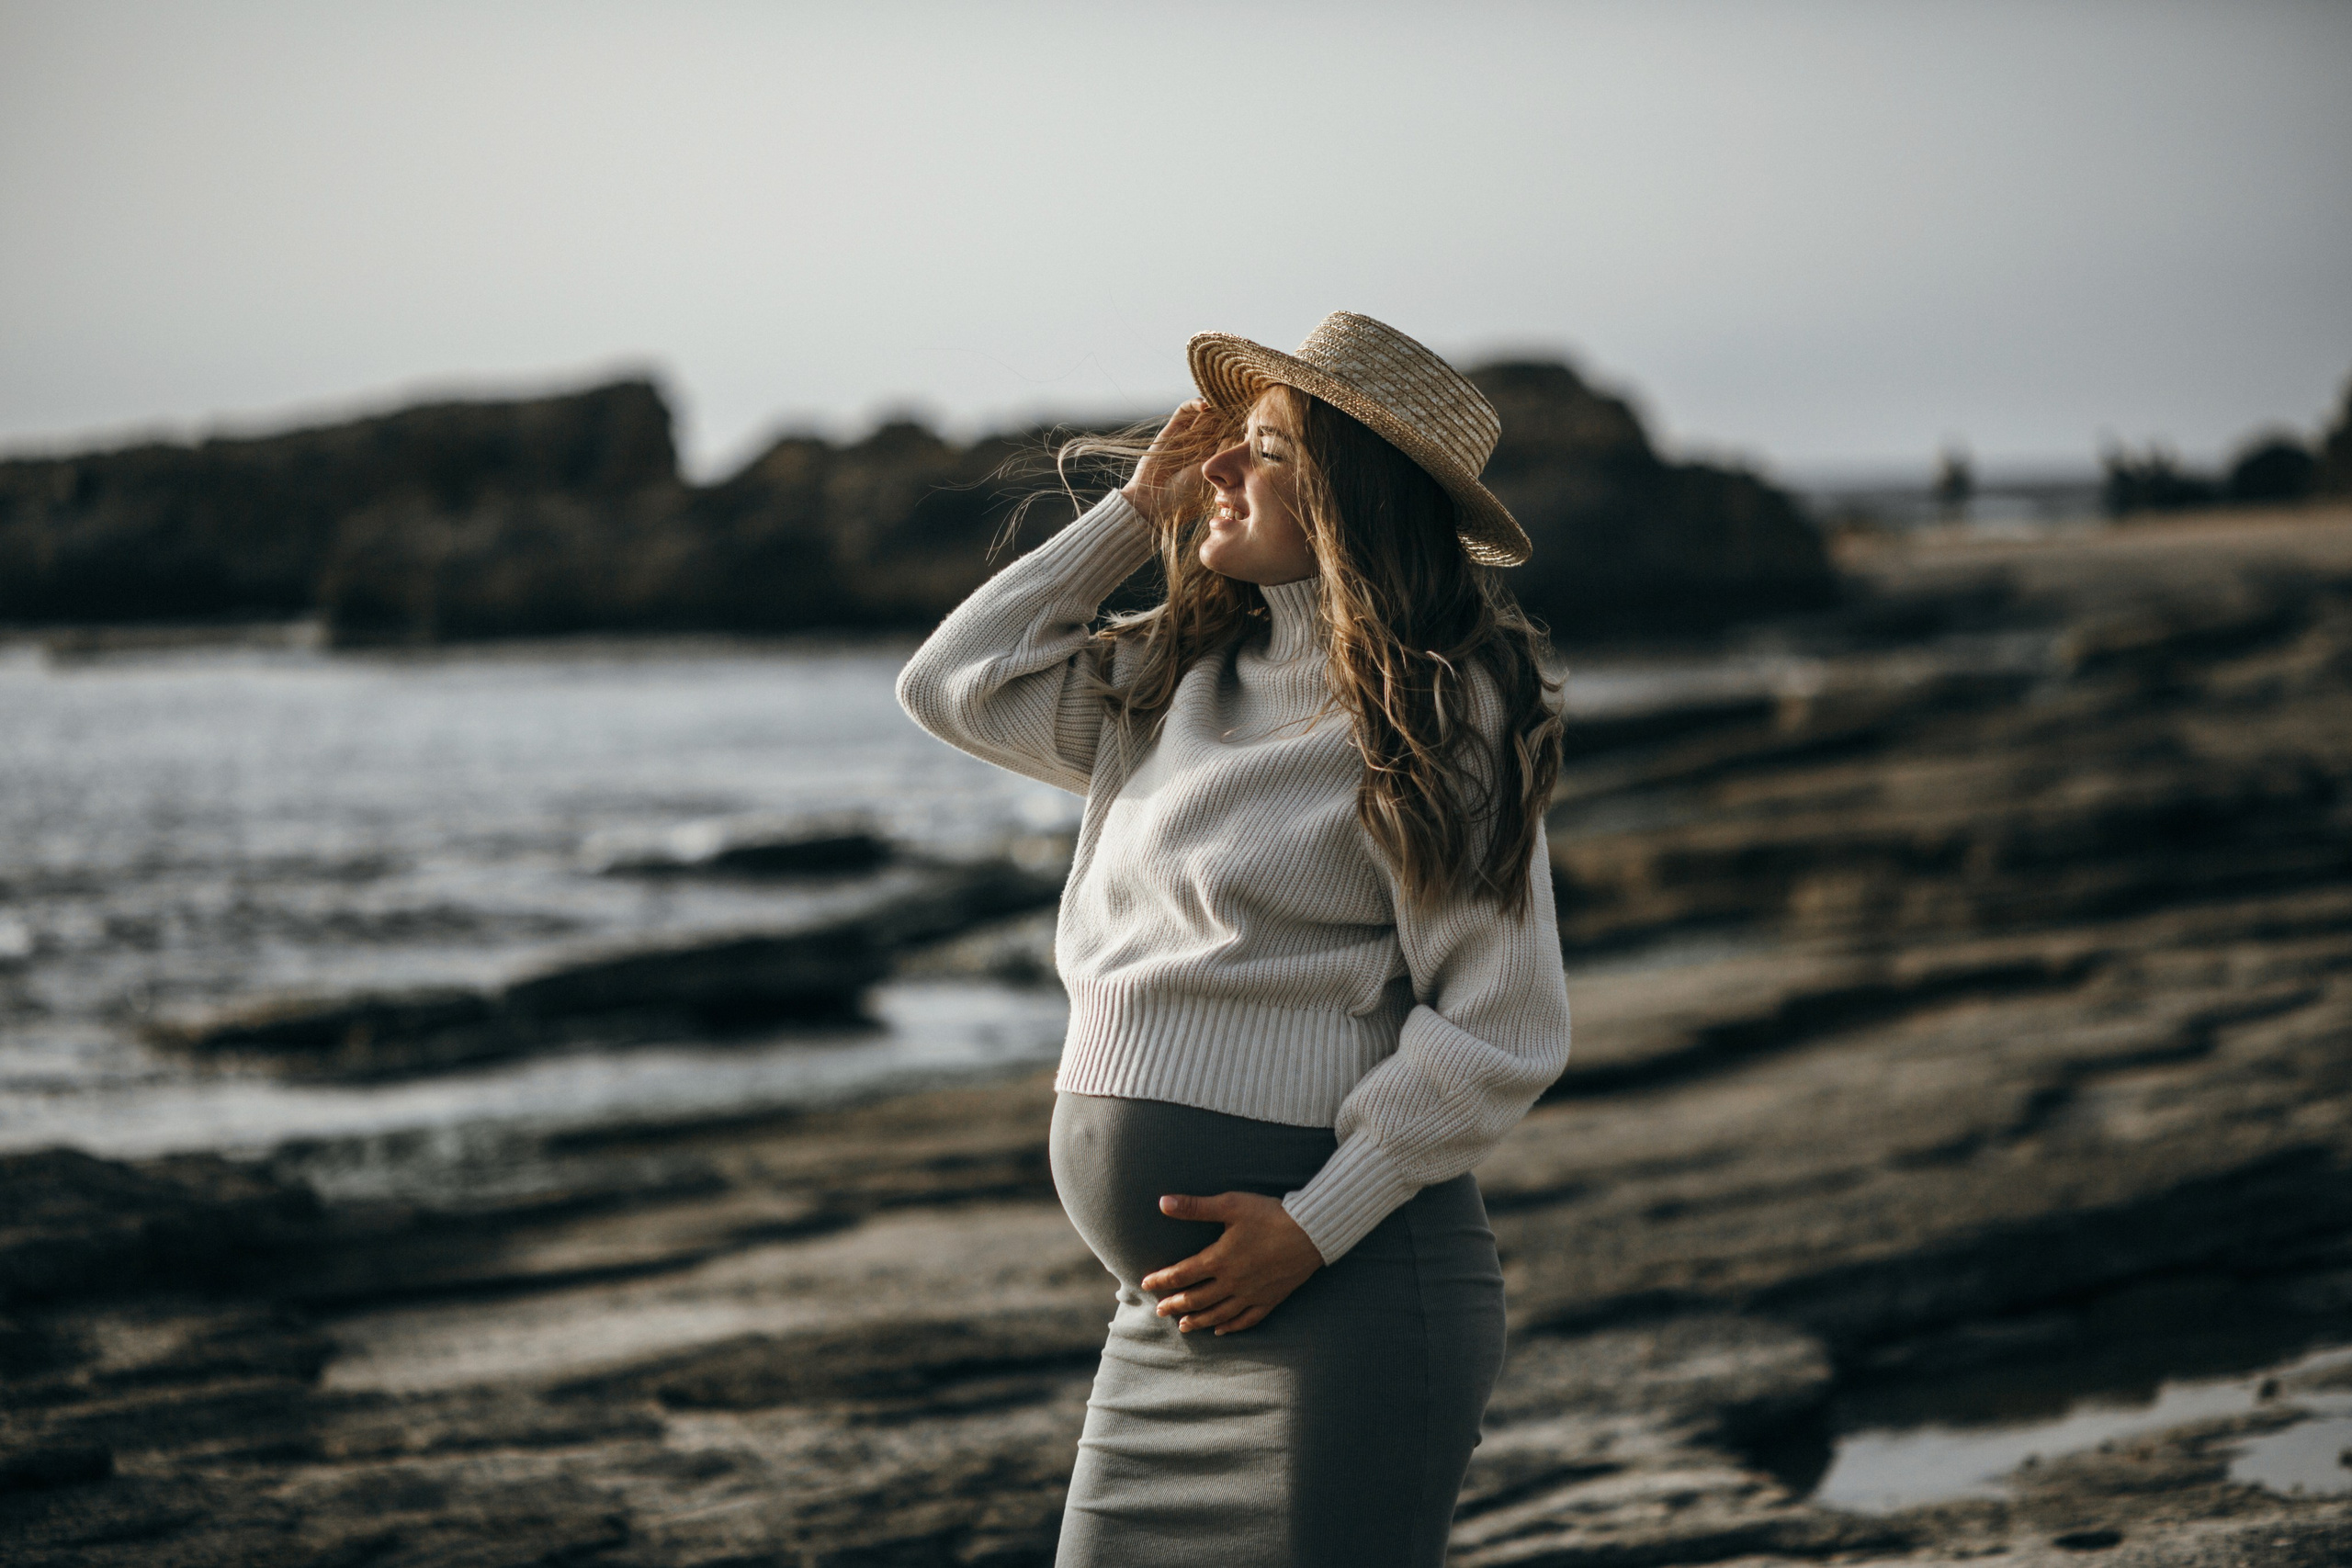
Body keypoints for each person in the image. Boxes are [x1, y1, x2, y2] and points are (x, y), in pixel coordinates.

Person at [895, 310, 1573, 1567]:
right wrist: (1134, 516)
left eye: (1260, 449)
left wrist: (1313, 1227)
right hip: (1168, 1319)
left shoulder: (1442, 710)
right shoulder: (1175, 678)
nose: (1215, 466)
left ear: (1351, 498)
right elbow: (952, 684)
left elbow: (1502, 1027)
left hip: (1346, 1292)